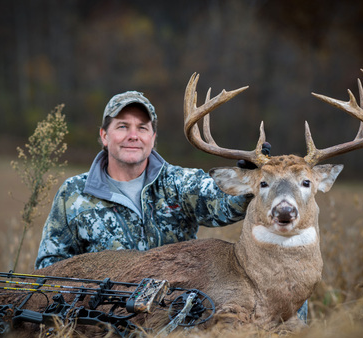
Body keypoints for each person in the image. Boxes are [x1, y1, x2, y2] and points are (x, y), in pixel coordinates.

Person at [34, 90, 309, 322]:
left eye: (142, 128)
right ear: (104, 136)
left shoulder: (179, 182)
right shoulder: (73, 194)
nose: (133, 135)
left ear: (153, 138)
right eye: (122, 126)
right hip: (103, 313)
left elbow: (222, 203)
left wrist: (251, 183)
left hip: (177, 309)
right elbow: (52, 267)